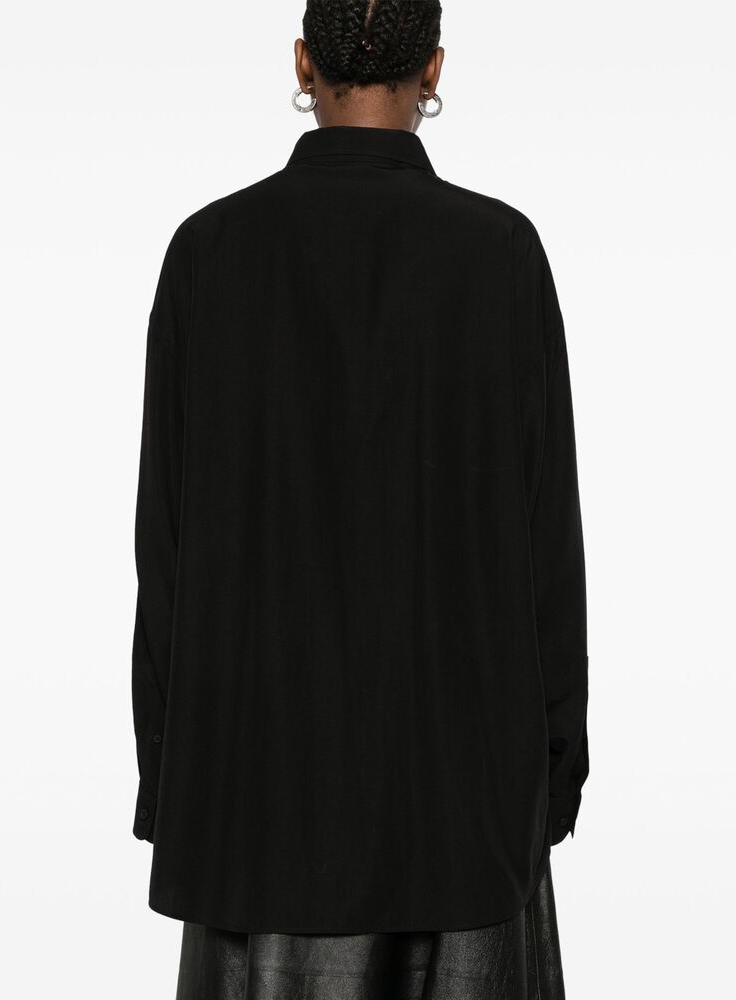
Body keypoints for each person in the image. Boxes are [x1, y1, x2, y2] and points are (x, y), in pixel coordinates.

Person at [131, 2, 589, 997]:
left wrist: (169, 776)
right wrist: (554, 772)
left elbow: (164, 544)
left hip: (254, 809)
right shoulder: (500, 253)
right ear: (434, 68)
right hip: (466, 807)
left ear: (303, 62)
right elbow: (547, 542)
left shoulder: (208, 251)